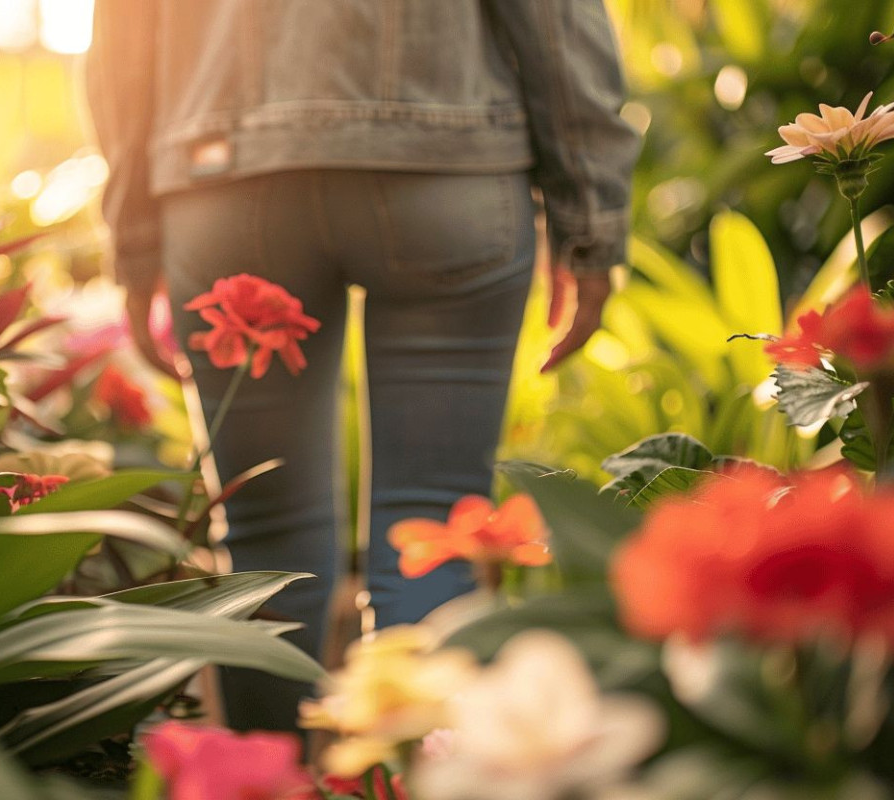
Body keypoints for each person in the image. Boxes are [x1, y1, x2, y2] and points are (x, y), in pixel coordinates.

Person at [87, 0, 639, 733]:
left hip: (222, 176)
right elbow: (556, 21)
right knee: (432, 524)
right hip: (447, 167)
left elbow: (123, 37)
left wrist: (133, 236)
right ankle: (410, 776)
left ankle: (263, 783)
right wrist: (591, 225)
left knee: (263, 532)